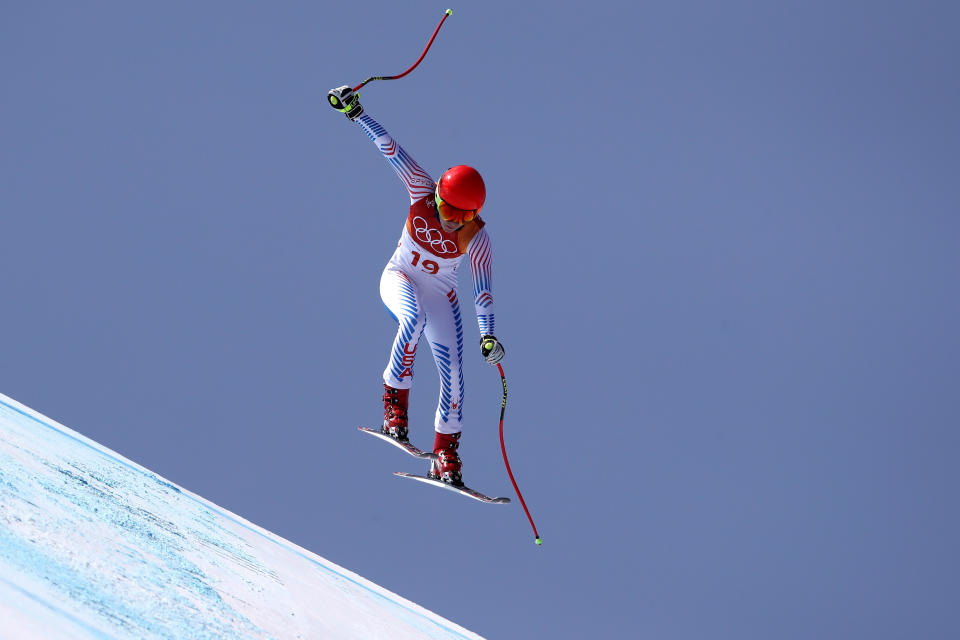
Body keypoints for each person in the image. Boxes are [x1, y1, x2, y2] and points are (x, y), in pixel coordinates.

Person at [327, 85, 505, 487]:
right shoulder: (421, 189)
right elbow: (390, 148)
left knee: (456, 374)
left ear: (476, 214)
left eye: (463, 215)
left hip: (441, 293)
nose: (450, 221)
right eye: (446, 209)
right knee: (412, 318)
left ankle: (445, 454)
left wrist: (489, 336)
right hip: (401, 276)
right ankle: (395, 406)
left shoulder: (477, 238)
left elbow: (483, 292)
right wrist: (355, 112)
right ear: (438, 196)